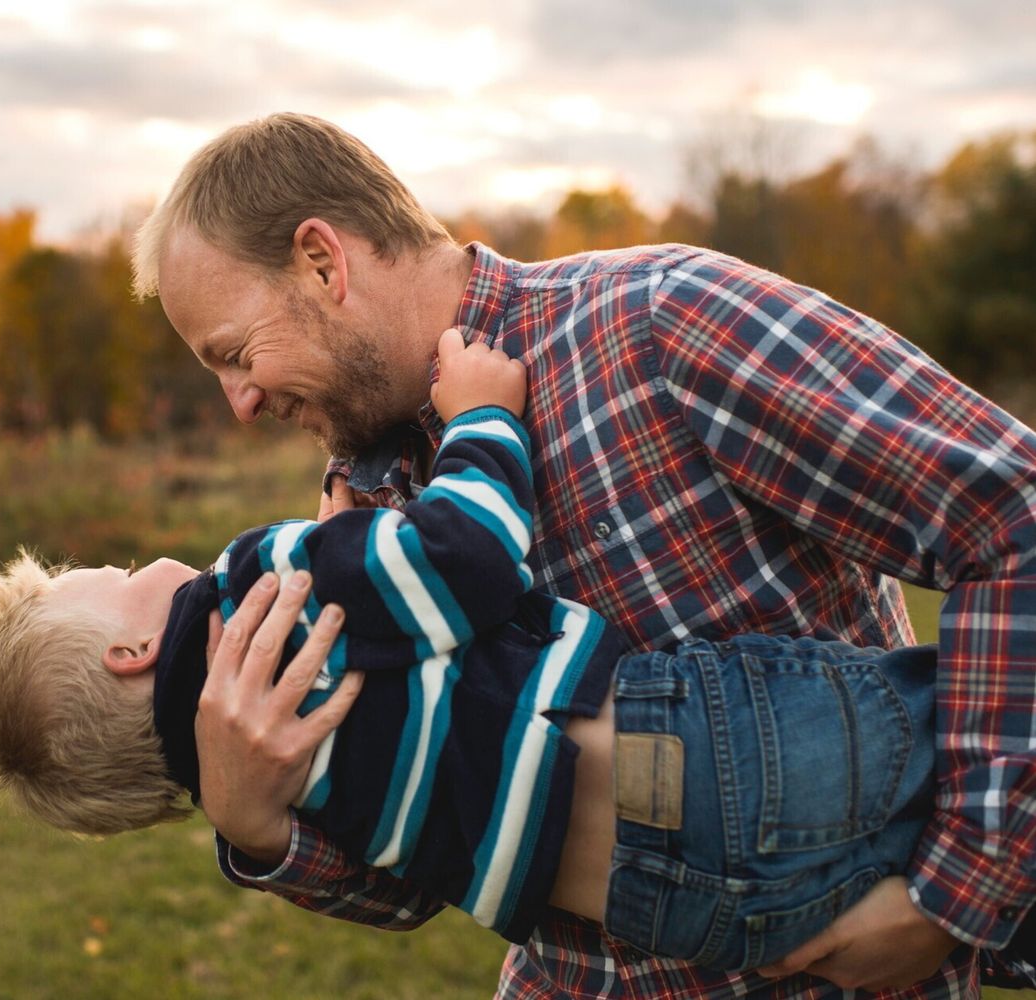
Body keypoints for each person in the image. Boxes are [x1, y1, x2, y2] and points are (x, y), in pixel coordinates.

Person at [128, 112, 1036, 997]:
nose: (238, 404)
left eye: (235, 354)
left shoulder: (662, 320)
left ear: (323, 262)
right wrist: (258, 823)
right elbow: (426, 860)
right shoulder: (365, 500)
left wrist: (951, 899)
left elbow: (1013, 519)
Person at [0, 331, 938, 972]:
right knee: (957, 733)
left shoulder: (263, 777)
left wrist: (351, 545)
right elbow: (465, 557)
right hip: (685, 755)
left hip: (651, 907)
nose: (125, 561)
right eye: (105, 573)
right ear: (133, 649)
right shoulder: (254, 579)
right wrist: (481, 417)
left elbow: (405, 700)